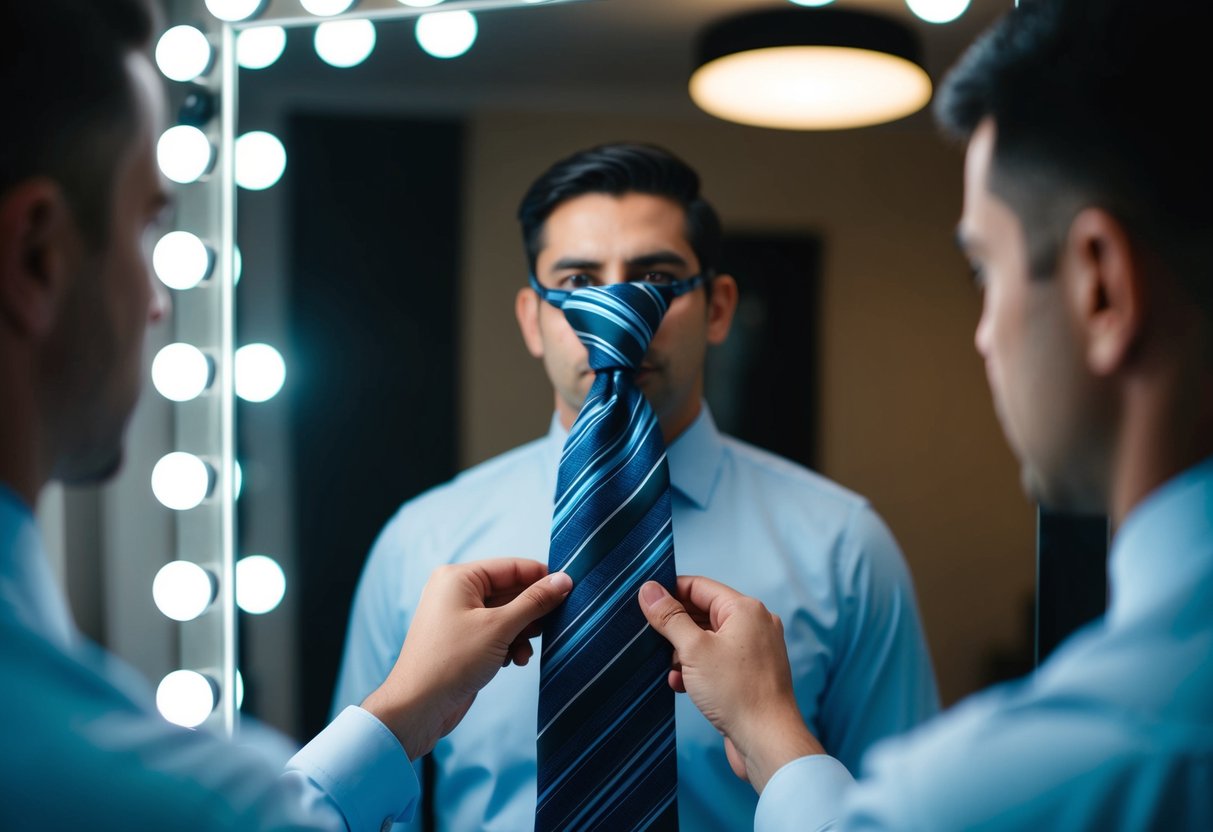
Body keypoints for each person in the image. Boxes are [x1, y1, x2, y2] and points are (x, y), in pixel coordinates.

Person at [637, 0, 1213, 828]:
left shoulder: (1005, 791)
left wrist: (775, 740)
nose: (982, 336)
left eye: (984, 271)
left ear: (1100, 286)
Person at [0, 1, 573, 829]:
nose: (160, 302)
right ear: (36, 257)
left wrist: (402, 713)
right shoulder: (180, 799)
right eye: (145, 224)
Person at [333, 142, 940, 830]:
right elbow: (362, 818)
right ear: (533, 320)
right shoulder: (420, 543)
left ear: (716, 308)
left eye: (654, 277)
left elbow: (904, 819)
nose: (619, 311)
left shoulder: (845, 548)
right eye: (580, 280)